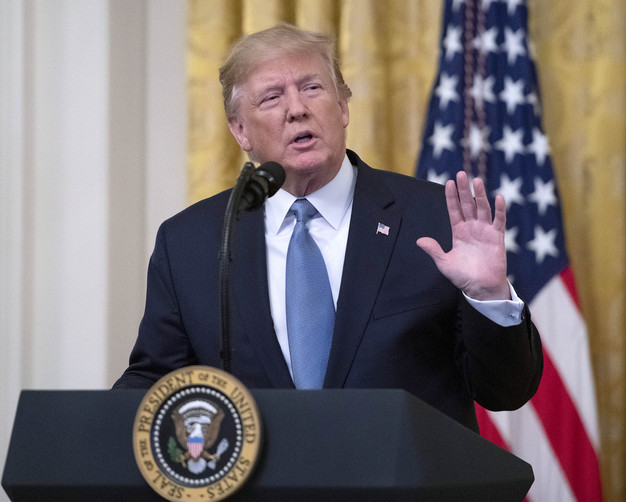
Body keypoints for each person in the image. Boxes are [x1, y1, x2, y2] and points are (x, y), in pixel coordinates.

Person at [113, 23, 543, 432]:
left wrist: (489, 297)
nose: (297, 109)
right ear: (240, 130)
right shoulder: (193, 241)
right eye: (271, 98)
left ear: (342, 108)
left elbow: (505, 392)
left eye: (312, 88)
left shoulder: (436, 220)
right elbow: (155, 385)